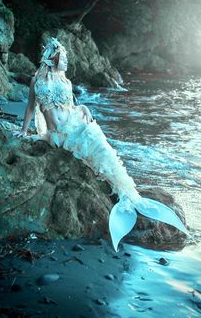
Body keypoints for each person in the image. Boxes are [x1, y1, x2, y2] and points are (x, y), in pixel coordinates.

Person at [13, 37, 188, 252]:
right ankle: (124, 195)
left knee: (102, 151)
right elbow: (31, 107)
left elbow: (70, 106)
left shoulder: (65, 81)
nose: (67, 61)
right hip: (58, 133)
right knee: (92, 150)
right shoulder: (36, 80)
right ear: (53, 58)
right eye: (63, 57)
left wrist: (83, 107)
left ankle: (127, 192)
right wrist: (23, 131)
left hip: (74, 122)